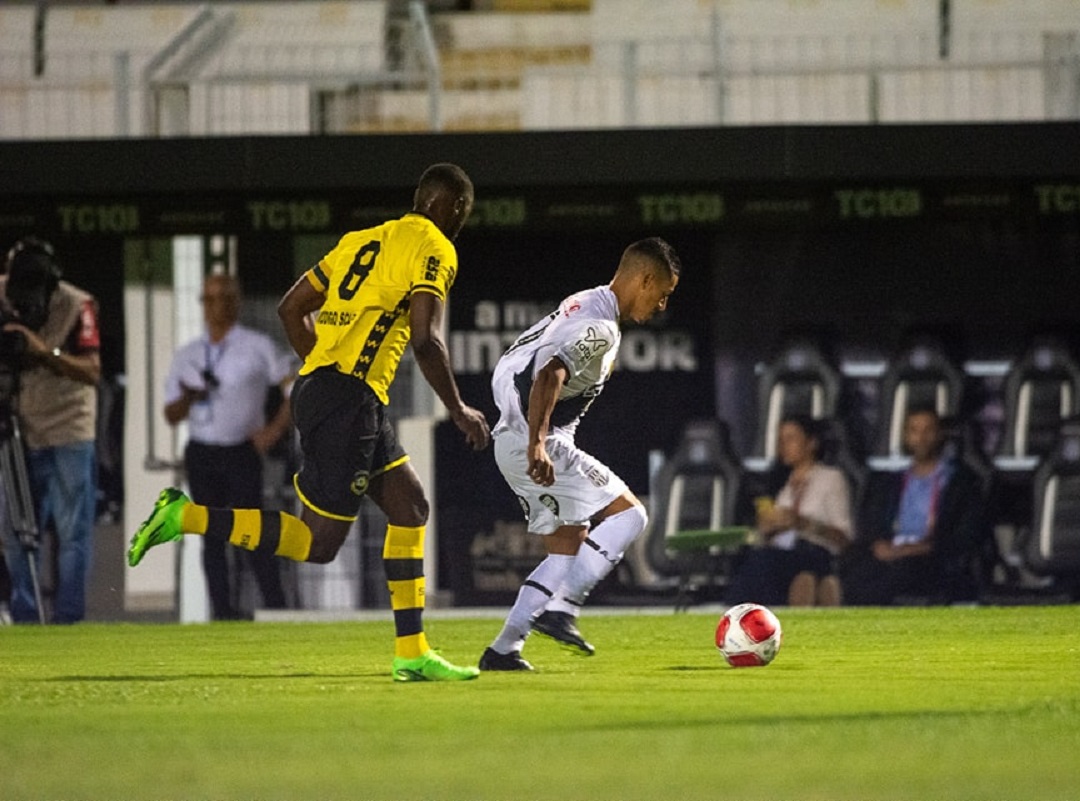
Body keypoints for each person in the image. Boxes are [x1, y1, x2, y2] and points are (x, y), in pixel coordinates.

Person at [128, 163, 491, 681]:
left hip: (341, 391)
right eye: (464, 212)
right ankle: (186, 517)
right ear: (451, 206)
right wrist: (458, 409)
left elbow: (290, 309)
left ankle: (412, 653)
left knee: (410, 506)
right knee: (317, 543)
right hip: (349, 397)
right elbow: (425, 338)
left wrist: (324, 371)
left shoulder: (360, 240)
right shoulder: (434, 245)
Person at [479, 237, 681, 671]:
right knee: (630, 517)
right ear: (643, 279)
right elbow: (548, 373)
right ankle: (563, 608)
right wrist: (536, 442)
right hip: (532, 440)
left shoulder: (588, 302)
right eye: (661, 294)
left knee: (566, 548)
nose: (662, 305)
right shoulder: (600, 327)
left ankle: (503, 649)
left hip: (516, 437)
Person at [163, 274, 294, 620]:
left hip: (241, 450)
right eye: (208, 298)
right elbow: (171, 412)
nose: (215, 306)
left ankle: (275, 607)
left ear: (235, 302)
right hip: (203, 450)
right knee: (211, 537)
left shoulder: (257, 345)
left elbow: (293, 389)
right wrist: (190, 396)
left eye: (223, 298)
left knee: (253, 531)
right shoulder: (189, 354)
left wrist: (274, 430)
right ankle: (221, 612)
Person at [0, 237, 101, 624]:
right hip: (17, 427)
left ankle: (68, 619)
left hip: (68, 430)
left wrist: (43, 351)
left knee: (72, 533)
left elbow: (92, 371)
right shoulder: (2, 295)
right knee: (14, 531)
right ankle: (25, 616)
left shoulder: (78, 304)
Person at [842, 406, 984, 606]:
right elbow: (872, 523)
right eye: (914, 431)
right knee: (855, 563)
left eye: (928, 430)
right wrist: (879, 545)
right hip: (892, 549)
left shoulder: (961, 482)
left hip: (930, 556)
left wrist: (917, 548)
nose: (921, 438)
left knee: (898, 574)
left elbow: (965, 534)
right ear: (905, 435)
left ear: (940, 434)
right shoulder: (891, 482)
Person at [724, 415, 853, 607]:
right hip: (781, 552)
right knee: (752, 559)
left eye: (791, 439)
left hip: (814, 551)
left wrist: (802, 523)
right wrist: (767, 528)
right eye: (780, 440)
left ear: (811, 443)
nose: (784, 446)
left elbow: (844, 538)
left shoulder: (830, 479)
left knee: (763, 562)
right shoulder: (781, 483)